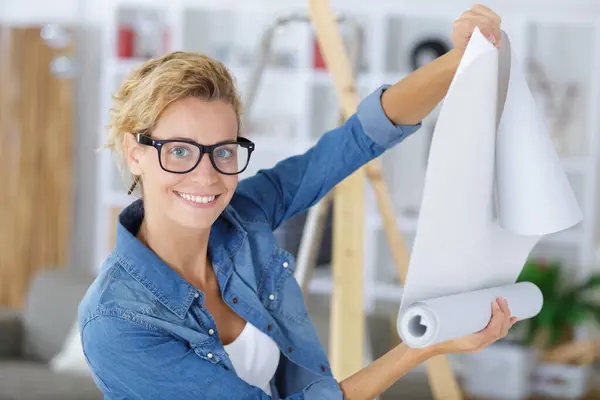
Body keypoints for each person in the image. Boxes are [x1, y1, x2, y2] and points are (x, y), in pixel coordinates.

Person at [79, 4, 516, 399]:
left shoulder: (243, 218)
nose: (207, 175)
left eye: (223, 151)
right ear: (134, 154)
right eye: (179, 151)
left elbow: (357, 139)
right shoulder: (118, 322)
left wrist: (461, 59)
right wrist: (424, 348)